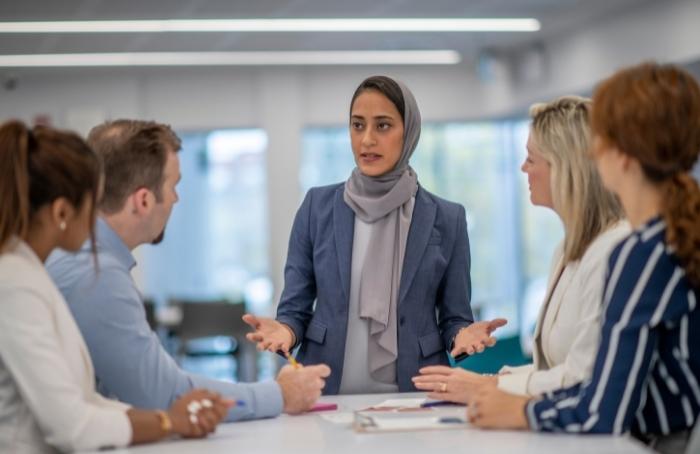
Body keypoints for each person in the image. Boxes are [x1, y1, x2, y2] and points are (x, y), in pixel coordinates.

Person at [462, 63, 700, 454]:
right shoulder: (668, 237)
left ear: (621, 155)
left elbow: (602, 413)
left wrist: (520, 410)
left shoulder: (641, 254)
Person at [46, 119, 330, 422]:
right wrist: (279, 394)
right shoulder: (96, 274)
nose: (175, 199)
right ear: (143, 200)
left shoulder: (81, 257)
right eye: (173, 186)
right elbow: (163, 394)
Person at [244, 75, 506, 395]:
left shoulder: (447, 218)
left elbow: (454, 317)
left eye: (382, 126)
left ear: (408, 132)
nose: (367, 139)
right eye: (358, 125)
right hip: (325, 388)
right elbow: (295, 310)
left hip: (415, 392)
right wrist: (285, 330)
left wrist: (462, 336)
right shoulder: (317, 207)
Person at [0, 120, 231, 453]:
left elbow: (82, 401)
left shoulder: (27, 271)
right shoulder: (15, 283)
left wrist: (165, 417)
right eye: (91, 203)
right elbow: (73, 426)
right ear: (62, 212)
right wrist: (169, 422)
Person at [413, 96, 630, 400]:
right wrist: (485, 380)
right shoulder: (569, 250)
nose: (522, 167)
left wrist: (489, 387)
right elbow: (551, 370)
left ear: (565, 167)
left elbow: (586, 377)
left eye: (531, 158)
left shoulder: (615, 251)